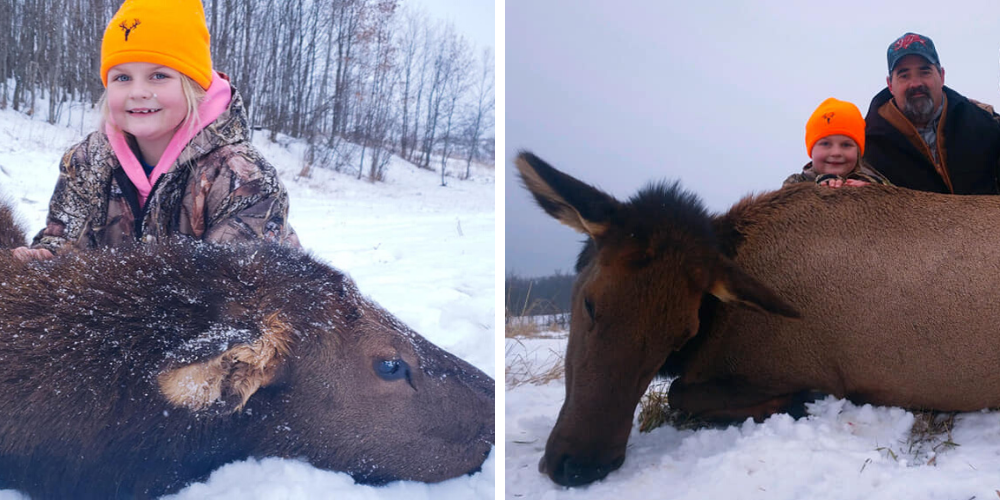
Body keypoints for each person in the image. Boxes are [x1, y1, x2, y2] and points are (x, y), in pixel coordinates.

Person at [12, 0, 298, 263]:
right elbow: (65, 238)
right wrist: (47, 259)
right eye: (122, 77)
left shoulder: (242, 176)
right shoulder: (86, 161)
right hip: (115, 313)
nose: (138, 92)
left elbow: (238, 291)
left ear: (194, 87)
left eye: (159, 76)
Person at [863, 32, 1000, 194]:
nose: (915, 83)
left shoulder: (985, 125)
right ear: (890, 85)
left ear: (941, 76)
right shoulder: (867, 144)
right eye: (904, 75)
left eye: (925, 72)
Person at [784, 97, 889, 188]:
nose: (836, 153)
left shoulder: (872, 179)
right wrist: (817, 187)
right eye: (825, 144)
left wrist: (875, 191)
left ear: (857, 151)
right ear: (811, 149)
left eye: (846, 145)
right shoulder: (795, 183)